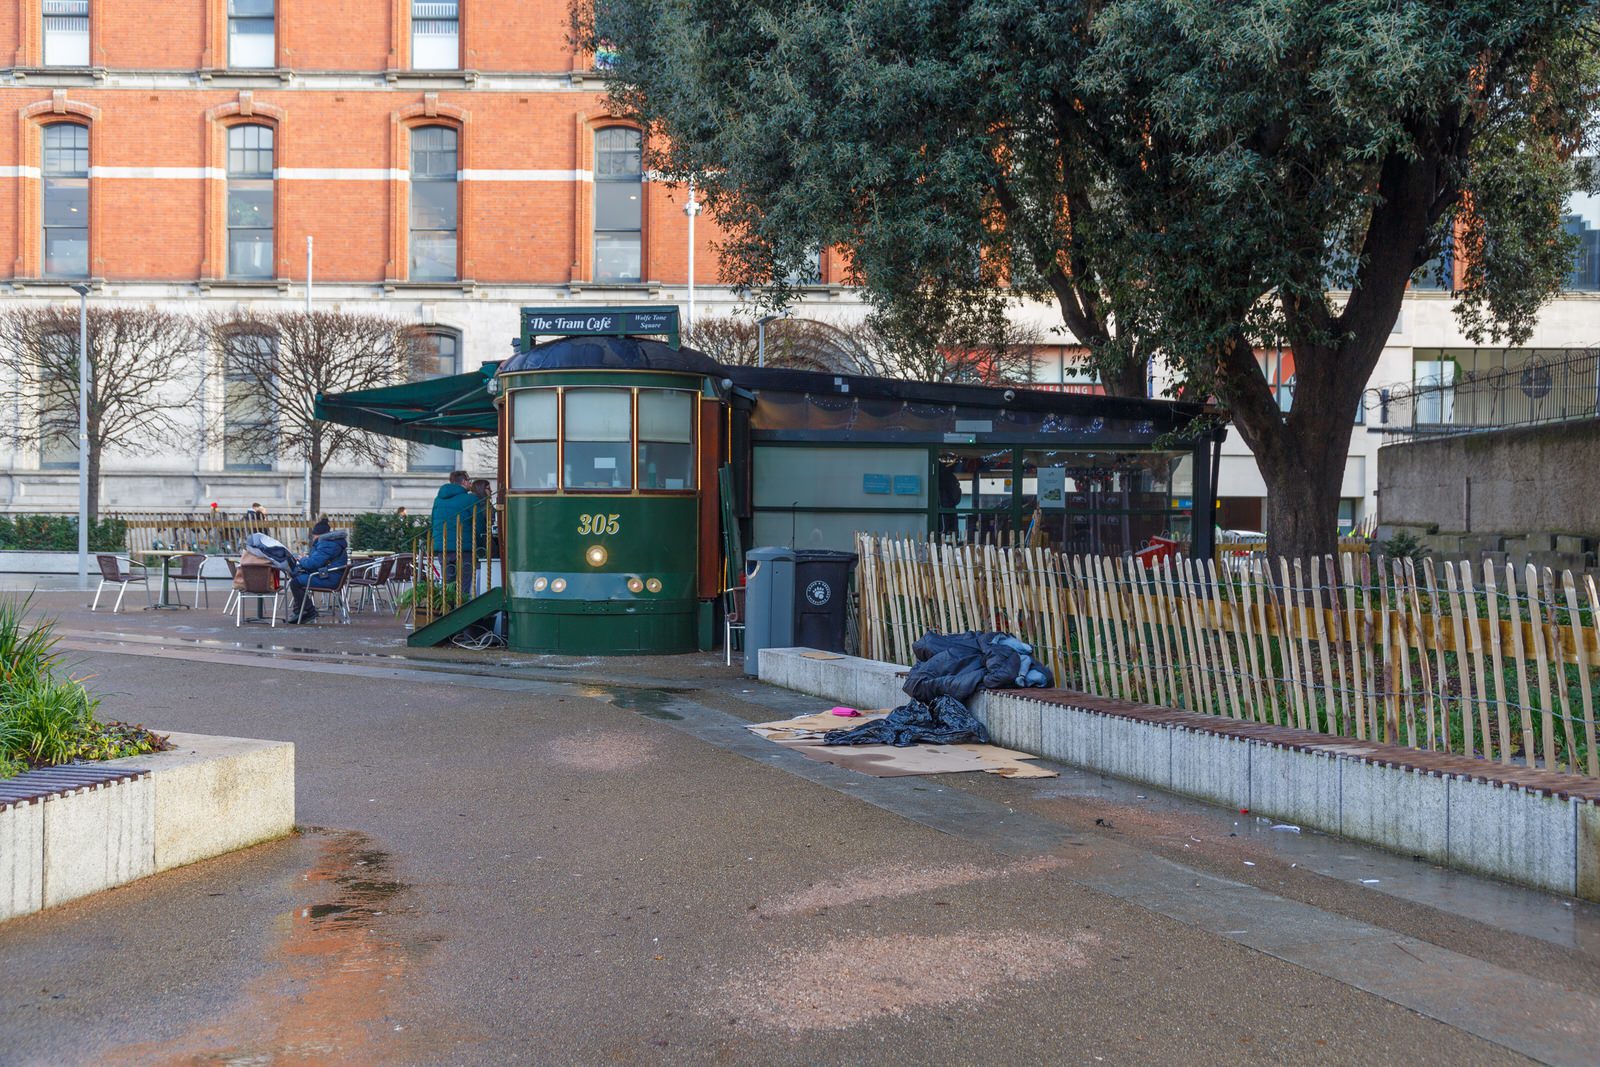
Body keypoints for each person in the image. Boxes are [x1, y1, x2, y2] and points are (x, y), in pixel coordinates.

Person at [431, 471, 486, 585]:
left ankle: (448, 603)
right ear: (464, 482)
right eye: (469, 481)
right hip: (464, 549)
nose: (470, 483)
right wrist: (481, 545)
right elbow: (479, 526)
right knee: (464, 586)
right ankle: (462, 603)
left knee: (448, 586)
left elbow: (433, 522)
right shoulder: (471, 499)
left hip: (443, 548)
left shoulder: (438, 499)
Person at [287, 527, 348, 622]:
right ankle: (300, 611)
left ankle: (308, 611)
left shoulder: (328, 545)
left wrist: (301, 559)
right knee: (297, 577)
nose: (313, 537)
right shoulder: (334, 543)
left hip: (329, 579)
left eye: (314, 535)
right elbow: (317, 561)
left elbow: (313, 564)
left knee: (295, 582)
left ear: (319, 535)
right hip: (329, 575)